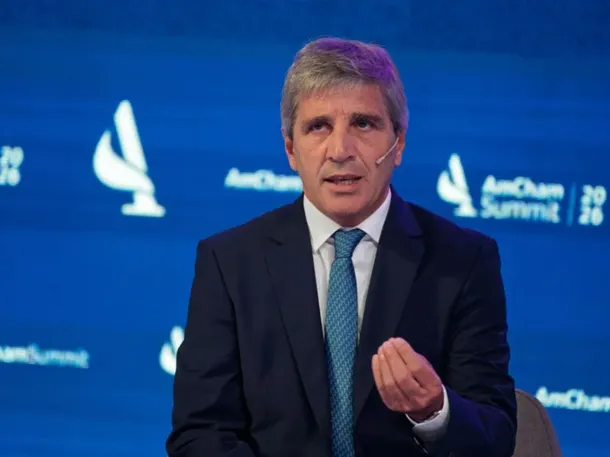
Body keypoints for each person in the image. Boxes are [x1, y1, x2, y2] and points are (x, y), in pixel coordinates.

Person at [166, 37, 517, 457]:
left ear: (399, 143)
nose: (340, 151)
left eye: (363, 124)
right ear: (291, 149)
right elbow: (200, 434)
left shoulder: (463, 262)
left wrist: (434, 411)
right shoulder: (229, 263)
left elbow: (496, 436)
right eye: (318, 127)